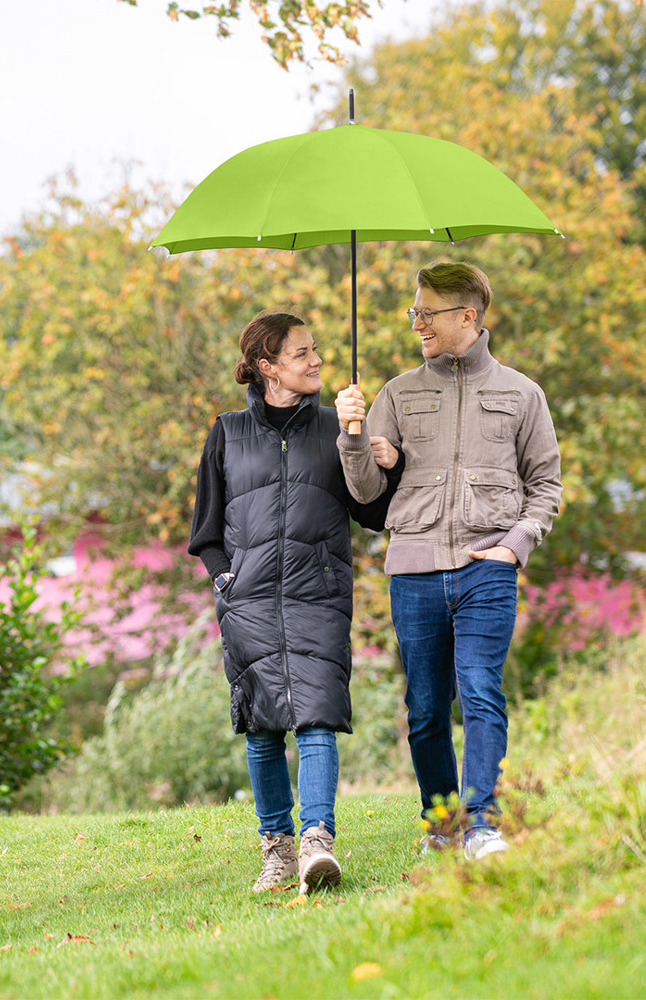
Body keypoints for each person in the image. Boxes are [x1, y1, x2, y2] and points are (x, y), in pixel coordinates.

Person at [334, 261, 562, 861]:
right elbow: (362, 492)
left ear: (469, 316)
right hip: (413, 568)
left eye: (426, 313)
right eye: (414, 312)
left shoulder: (522, 394)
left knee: (482, 689)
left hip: (488, 564)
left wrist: (515, 545)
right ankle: (443, 823)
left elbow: (546, 486)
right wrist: (356, 437)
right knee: (426, 707)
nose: (417, 324)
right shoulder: (396, 394)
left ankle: (483, 824)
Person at [188, 311, 402, 893]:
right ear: (267, 366)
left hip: (318, 595)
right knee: (262, 727)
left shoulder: (337, 426)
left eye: (316, 350)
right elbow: (206, 530)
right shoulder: (227, 432)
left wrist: (375, 452)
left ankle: (316, 844)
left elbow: (373, 512)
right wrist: (224, 583)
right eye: (302, 353)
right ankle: (277, 852)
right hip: (248, 599)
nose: (316, 361)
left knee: (317, 718)